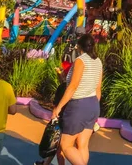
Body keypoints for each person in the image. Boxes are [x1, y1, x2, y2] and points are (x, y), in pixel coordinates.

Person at [52, 34, 103, 165]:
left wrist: (58, 108)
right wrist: (94, 109)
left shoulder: (80, 61)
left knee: (66, 145)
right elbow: (98, 89)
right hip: (93, 104)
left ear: (79, 46)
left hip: (79, 105)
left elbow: (73, 86)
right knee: (82, 144)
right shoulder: (98, 61)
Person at [35, 61, 72, 165]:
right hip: (73, 119)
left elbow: (56, 105)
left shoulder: (62, 88)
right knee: (56, 145)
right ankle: (46, 163)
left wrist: (54, 117)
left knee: (59, 147)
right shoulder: (74, 88)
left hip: (62, 119)